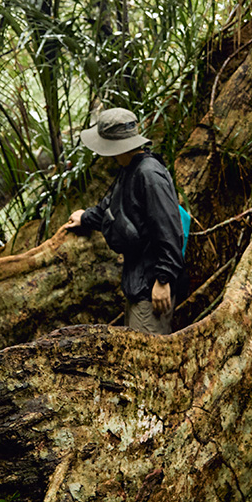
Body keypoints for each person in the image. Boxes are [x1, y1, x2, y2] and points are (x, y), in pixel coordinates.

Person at [64, 108, 184, 334]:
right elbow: (113, 210)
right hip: (138, 285)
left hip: (152, 289)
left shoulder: (149, 175)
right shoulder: (129, 168)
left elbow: (169, 230)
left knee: (147, 362)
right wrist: (85, 218)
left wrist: (163, 279)